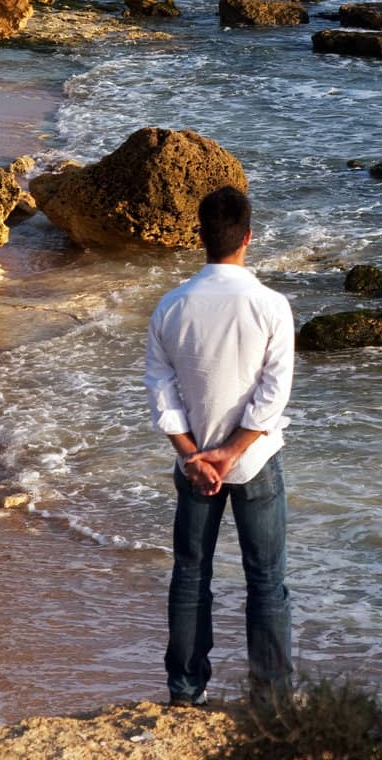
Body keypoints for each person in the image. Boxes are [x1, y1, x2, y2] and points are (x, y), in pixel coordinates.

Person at [144, 184, 295, 706]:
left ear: (199, 237)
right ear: (249, 237)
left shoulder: (171, 305)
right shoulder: (271, 306)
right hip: (253, 461)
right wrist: (230, 453)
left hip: (193, 465)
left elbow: (161, 393)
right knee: (267, 583)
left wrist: (192, 454)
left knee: (190, 576)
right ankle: (271, 702)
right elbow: (273, 396)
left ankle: (186, 691)